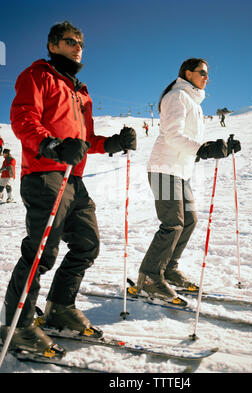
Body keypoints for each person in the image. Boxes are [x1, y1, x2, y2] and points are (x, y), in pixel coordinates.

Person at [0, 21, 136, 356]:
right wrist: (52, 145)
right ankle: (17, 326)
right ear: (52, 45)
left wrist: (113, 143)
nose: (77, 47)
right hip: (45, 174)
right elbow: (22, 118)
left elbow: (85, 141)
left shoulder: (80, 91)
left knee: (87, 244)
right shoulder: (37, 75)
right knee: (40, 255)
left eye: (80, 43)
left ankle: (60, 307)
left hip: (74, 179)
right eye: (69, 41)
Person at [131, 58, 241, 304]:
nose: (206, 77)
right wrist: (202, 149)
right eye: (202, 72)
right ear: (187, 73)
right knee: (173, 222)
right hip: (162, 168)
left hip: (180, 172)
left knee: (189, 220)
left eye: (207, 73)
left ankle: (167, 269)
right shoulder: (177, 96)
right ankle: (149, 277)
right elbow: (173, 135)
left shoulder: (192, 101)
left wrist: (218, 148)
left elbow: (188, 142)